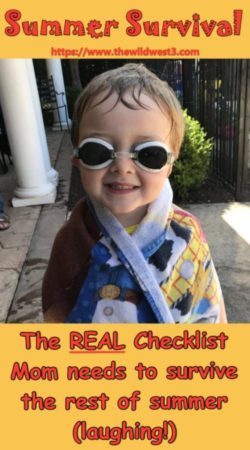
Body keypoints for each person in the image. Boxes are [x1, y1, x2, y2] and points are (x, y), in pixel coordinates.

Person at [42, 63, 227, 324]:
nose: (122, 167)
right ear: (77, 161)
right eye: (99, 151)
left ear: (169, 167)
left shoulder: (186, 235)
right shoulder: (72, 238)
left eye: (149, 154)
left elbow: (209, 307)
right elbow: (55, 309)